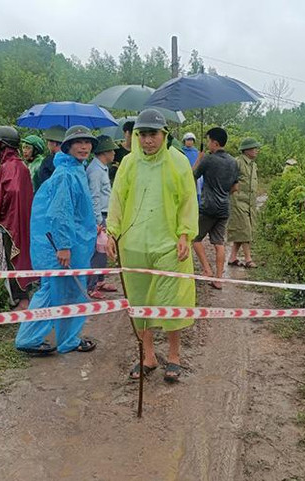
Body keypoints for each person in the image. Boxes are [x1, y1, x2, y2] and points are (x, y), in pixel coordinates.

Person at [106, 109, 198, 382]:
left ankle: (174, 356)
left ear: (164, 135)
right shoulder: (129, 164)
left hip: (169, 246)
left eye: (153, 134)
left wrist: (184, 234)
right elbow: (117, 200)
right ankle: (148, 356)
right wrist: (112, 232)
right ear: (136, 136)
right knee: (139, 303)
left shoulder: (178, 163)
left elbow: (188, 201)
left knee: (172, 302)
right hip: (133, 246)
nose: (148, 140)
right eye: (143, 135)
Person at [15, 125, 98, 355]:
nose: (84, 147)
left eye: (88, 142)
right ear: (68, 146)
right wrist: (63, 246)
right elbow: (59, 213)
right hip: (63, 246)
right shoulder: (66, 174)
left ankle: (62, 339)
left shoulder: (75, 169)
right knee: (60, 293)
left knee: (58, 292)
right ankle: (35, 339)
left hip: (71, 243)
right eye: (78, 142)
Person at [0, 126, 36, 310]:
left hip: (11, 224)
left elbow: (12, 193)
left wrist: (1, 218)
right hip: (19, 222)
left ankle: (21, 302)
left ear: (3, 145)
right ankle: (21, 299)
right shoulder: (18, 165)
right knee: (18, 257)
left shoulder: (10, 167)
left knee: (13, 258)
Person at [192, 127, 239, 290]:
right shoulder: (234, 162)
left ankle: (207, 269)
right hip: (224, 208)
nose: (207, 144)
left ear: (215, 143)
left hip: (207, 207)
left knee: (195, 238)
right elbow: (235, 188)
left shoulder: (208, 160)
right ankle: (219, 278)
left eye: (209, 141)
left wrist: (199, 159)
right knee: (219, 243)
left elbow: (192, 176)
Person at [85, 135, 118, 299]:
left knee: (102, 251)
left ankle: (99, 281)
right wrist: (98, 222)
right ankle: (91, 286)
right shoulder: (95, 171)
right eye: (112, 150)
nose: (114, 154)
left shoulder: (101, 168)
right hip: (99, 217)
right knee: (97, 252)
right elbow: (94, 197)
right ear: (104, 152)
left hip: (105, 214)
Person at [227, 137, 261, 268]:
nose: (256, 151)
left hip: (250, 203)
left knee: (244, 229)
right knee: (245, 230)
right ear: (247, 150)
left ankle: (232, 257)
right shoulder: (237, 163)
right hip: (238, 201)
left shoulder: (253, 165)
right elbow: (229, 180)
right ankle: (248, 259)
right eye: (254, 148)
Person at [36, 125, 67, 189]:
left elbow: (44, 182)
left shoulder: (48, 161)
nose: (48, 145)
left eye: (48, 141)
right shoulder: (74, 159)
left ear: (54, 143)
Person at [109, 120, 134, 185]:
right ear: (124, 133)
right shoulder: (116, 150)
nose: (131, 138)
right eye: (129, 134)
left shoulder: (139, 151)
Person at [181, 132, 203, 202]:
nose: (190, 142)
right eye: (188, 140)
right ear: (184, 141)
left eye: (191, 140)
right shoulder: (181, 151)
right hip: (185, 175)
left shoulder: (197, 152)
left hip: (196, 176)